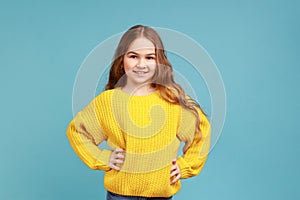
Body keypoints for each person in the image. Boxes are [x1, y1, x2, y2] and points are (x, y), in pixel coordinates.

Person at [66, 25, 211, 200]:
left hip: (160, 195)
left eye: (149, 57)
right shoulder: (108, 101)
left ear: (159, 62)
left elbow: (200, 131)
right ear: (122, 60)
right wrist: (103, 158)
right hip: (120, 195)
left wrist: (186, 165)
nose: (141, 64)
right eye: (133, 56)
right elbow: (77, 131)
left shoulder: (172, 99)